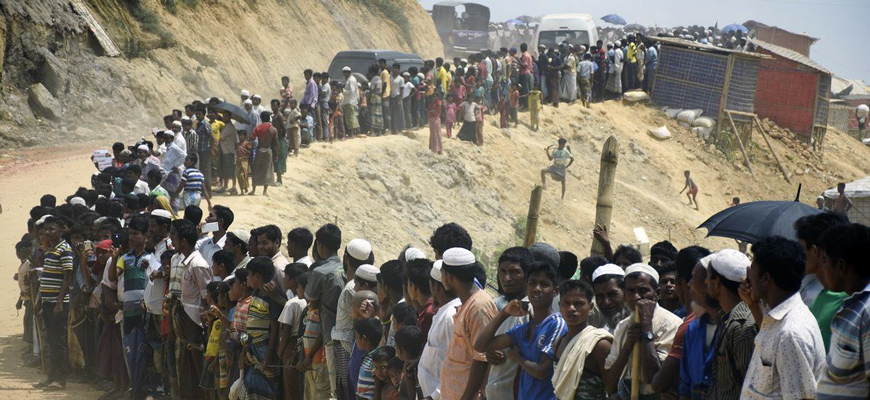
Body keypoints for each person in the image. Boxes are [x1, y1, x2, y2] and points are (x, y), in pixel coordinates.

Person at [739, 236, 825, 400]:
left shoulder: (790, 334)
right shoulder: (779, 318)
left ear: (766, 278)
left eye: (752, 270)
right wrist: (753, 305)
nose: (748, 276)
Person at [475, 261, 567, 400]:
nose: (537, 288)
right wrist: (505, 312)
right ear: (526, 286)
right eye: (532, 283)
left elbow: (542, 371)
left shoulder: (556, 324)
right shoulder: (525, 329)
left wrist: (518, 357)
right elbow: (481, 345)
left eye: (544, 284)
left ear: (555, 291)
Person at [604, 264, 682, 400]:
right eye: (630, 291)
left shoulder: (671, 324)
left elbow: (654, 379)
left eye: (643, 290)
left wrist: (646, 329)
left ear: (657, 293)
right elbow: (610, 385)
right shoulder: (622, 327)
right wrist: (628, 346)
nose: (636, 297)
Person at [816, 223, 870, 400]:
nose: (822, 268)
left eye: (824, 260)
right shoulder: (850, 303)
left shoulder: (867, 312)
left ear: (840, 266)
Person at [439, 248, 496, 400]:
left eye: (442, 274)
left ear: (449, 276)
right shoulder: (467, 304)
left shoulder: (479, 307)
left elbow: (482, 358)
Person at [702, 250, 756, 400]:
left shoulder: (741, 326)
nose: (705, 282)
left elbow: (748, 386)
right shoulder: (726, 319)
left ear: (717, 282)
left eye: (708, 277)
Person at [484, 247, 534, 400]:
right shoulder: (506, 308)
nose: (506, 278)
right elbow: (482, 345)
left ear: (527, 275)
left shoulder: (530, 310)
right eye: (502, 272)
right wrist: (490, 353)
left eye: (514, 272)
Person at [552, 280, 613, 400]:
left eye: (578, 303)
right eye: (566, 303)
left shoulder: (599, 344)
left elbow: (612, 389)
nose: (571, 308)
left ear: (590, 307)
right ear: (560, 306)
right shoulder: (558, 343)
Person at [34, 216, 73, 391]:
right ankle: (52, 376)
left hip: (58, 303)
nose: (48, 232)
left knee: (59, 341)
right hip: (48, 302)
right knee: (50, 339)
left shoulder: (64, 249)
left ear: (61, 231)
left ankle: (60, 378)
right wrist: (42, 302)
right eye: (46, 229)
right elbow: (47, 278)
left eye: (52, 229)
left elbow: (67, 277)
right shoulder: (50, 250)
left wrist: (59, 302)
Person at [305, 224, 344, 398]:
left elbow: (312, 303)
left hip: (329, 335)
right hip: (349, 334)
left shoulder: (320, 272)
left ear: (320, 245)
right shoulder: (348, 269)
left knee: (332, 388)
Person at [418, 260, 459, 399]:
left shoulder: (450, 316)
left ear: (436, 287)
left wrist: (435, 395)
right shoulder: (443, 311)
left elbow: (456, 363)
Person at [250, 111, 277, 196]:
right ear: (269, 118)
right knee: (267, 170)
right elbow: (276, 143)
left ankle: (253, 190)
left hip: (259, 149)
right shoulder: (273, 129)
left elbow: (252, 138)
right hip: (268, 150)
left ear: (261, 118)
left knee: (256, 169)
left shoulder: (258, 128)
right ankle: (265, 191)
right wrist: (276, 154)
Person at [269, 99, 288, 186]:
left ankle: (279, 180)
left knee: (279, 158)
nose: (273, 107)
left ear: (278, 106)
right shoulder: (274, 116)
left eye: (275, 105)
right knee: (274, 158)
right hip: (274, 138)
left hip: (279, 139)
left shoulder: (279, 115)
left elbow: (283, 128)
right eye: (272, 105)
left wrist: (280, 138)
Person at [341, 67, 360, 138]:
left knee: (350, 118)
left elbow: (351, 92)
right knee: (351, 118)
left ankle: (352, 134)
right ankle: (356, 132)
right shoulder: (346, 79)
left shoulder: (351, 80)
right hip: (347, 101)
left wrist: (342, 91)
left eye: (345, 72)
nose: (344, 74)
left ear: (348, 72)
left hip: (350, 101)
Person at [390, 64, 405, 134]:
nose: (394, 70)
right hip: (391, 97)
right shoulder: (390, 77)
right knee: (392, 113)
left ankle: (399, 129)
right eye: (393, 68)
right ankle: (393, 128)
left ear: (399, 70)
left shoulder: (401, 79)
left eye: (396, 68)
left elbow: (402, 90)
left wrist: (400, 99)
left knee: (398, 114)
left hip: (397, 96)